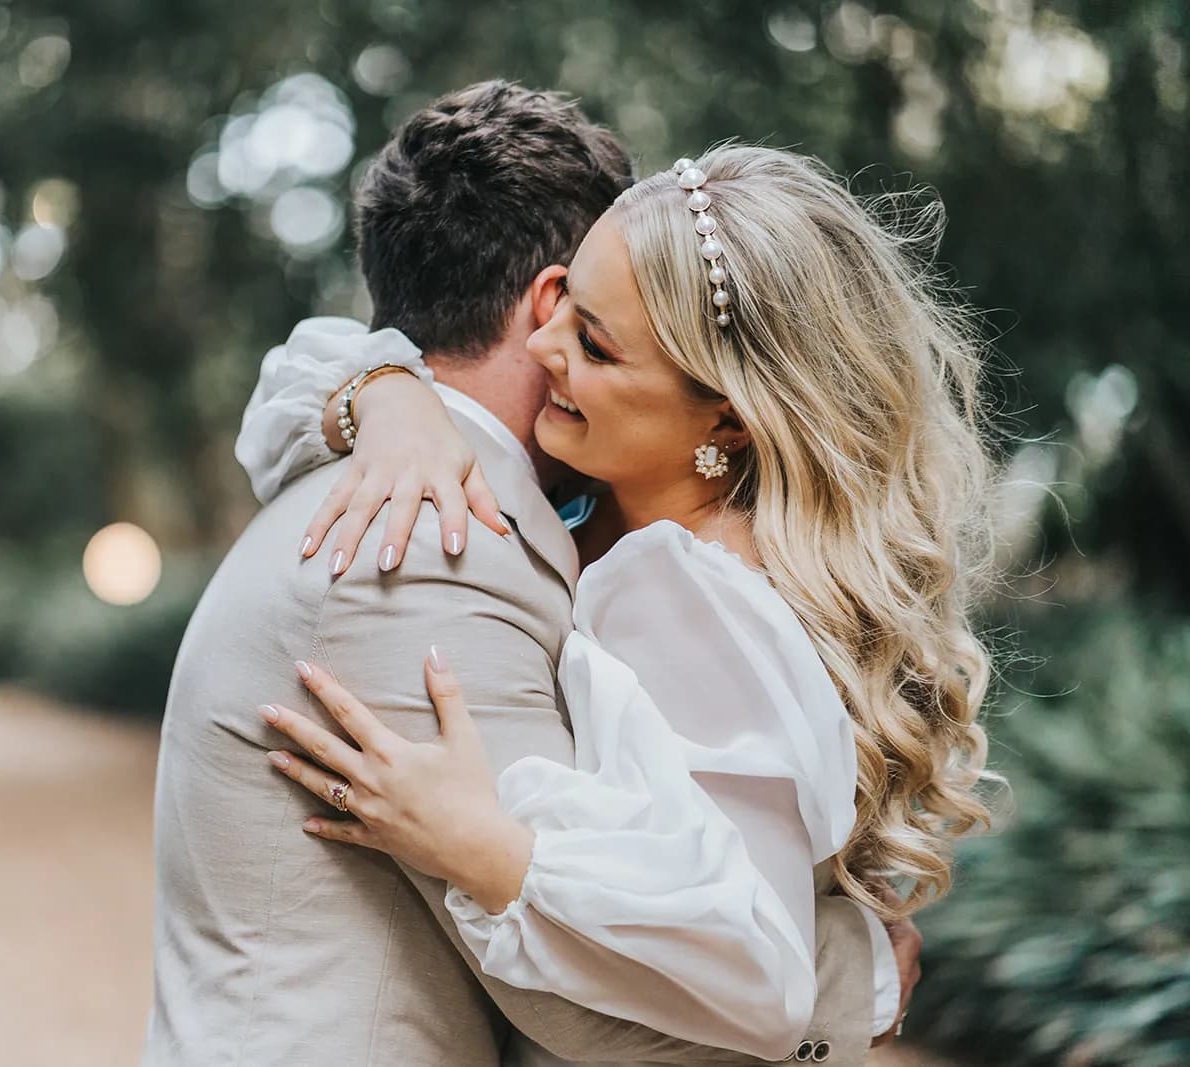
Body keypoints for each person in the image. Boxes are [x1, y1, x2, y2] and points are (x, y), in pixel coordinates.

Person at [146, 83, 917, 1067]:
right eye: (581, 313)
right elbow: (580, 1010)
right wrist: (859, 971)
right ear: (550, 292)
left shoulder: (613, 556)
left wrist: (387, 388)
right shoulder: (420, 538)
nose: (564, 347)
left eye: (601, 334)